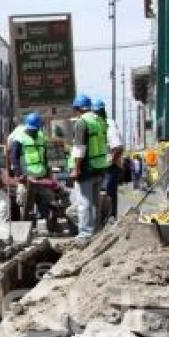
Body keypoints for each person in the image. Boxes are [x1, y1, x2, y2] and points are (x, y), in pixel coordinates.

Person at [68, 94, 109, 239]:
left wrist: (76, 168)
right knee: (95, 202)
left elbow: (79, 148)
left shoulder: (82, 122)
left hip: (87, 167)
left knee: (84, 202)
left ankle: (85, 233)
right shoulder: (99, 120)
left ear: (78, 108)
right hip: (100, 166)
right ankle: (96, 231)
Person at [7, 112, 52, 222]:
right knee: (26, 205)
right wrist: (18, 174)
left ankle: (43, 227)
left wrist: (47, 172)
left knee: (44, 202)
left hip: (41, 177)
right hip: (26, 178)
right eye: (32, 129)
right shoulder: (19, 138)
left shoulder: (41, 136)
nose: (34, 131)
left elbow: (45, 155)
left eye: (36, 129)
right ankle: (27, 228)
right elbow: (14, 157)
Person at [92, 98, 124, 220]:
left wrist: (109, 162)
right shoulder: (99, 125)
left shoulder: (109, 125)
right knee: (102, 195)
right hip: (102, 166)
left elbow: (118, 147)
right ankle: (104, 220)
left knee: (107, 195)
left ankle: (110, 219)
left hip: (109, 168)